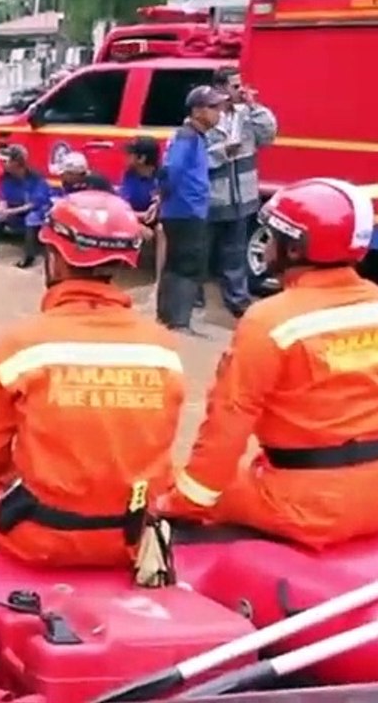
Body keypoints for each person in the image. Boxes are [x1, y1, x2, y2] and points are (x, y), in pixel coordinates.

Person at [0, 190, 185, 567]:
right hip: (133, 537)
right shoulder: (163, 348)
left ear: (54, 259)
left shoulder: (20, 345)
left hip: (40, 535)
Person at [158, 178, 378, 550]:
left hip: (308, 505)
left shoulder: (269, 321)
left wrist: (181, 502)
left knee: (167, 487)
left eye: (272, 236)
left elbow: (227, 426)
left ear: (293, 249)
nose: (267, 244)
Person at [197, 66, 278, 318]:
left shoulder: (246, 115)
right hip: (212, 198)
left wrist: (255, 106)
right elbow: (196, 159)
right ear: (220, 88)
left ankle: (238, 300)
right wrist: (223, 152)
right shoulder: (206, 116)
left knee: (235, 252)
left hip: (243, 197)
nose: (240, 91)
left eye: (241, 85)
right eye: (235, 86)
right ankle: (194, 299)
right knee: (201, 250)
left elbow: (269, 135)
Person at [157, 85, 224, 335]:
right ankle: (179, 323)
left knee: (176, 264)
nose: (219, 113)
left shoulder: (194, 136)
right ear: (197, 111)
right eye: (213, 107)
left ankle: (168, 318)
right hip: (186, 211)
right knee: (187, 266)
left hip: (184, 210)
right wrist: (168, 199)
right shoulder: (187, 136)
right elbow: (171, 172)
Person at [0, 144, 50, 268]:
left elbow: (34, 204)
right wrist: (2, 209)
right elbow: (3, 199)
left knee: (32, 218)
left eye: (6, 161)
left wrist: (10, 212)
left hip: (37, 212)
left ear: (16, 163)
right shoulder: (5, 178)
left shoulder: (36, 179)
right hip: (16, 210)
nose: (2, 163)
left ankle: (29, 258)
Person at [121, 136, 164, 274]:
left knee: (161, 229)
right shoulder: (130, 175)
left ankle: (159, 279)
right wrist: (138, 222)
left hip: (158, 220)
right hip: (135, 218)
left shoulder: (162, 176)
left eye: (131, 153)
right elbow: (122, 207)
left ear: (142, 158)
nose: (127, 156)